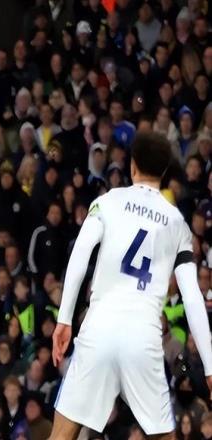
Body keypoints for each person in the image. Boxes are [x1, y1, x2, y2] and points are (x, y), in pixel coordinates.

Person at [51, 132, 212, 439]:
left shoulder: (107, 202)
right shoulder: (177, 223)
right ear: (164, 172)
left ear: (132, 165)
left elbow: (80, 255)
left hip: (99, 328)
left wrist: (64, 319)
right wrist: (210, 365)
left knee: (61, 435)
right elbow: (192, 298)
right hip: (142, 336)